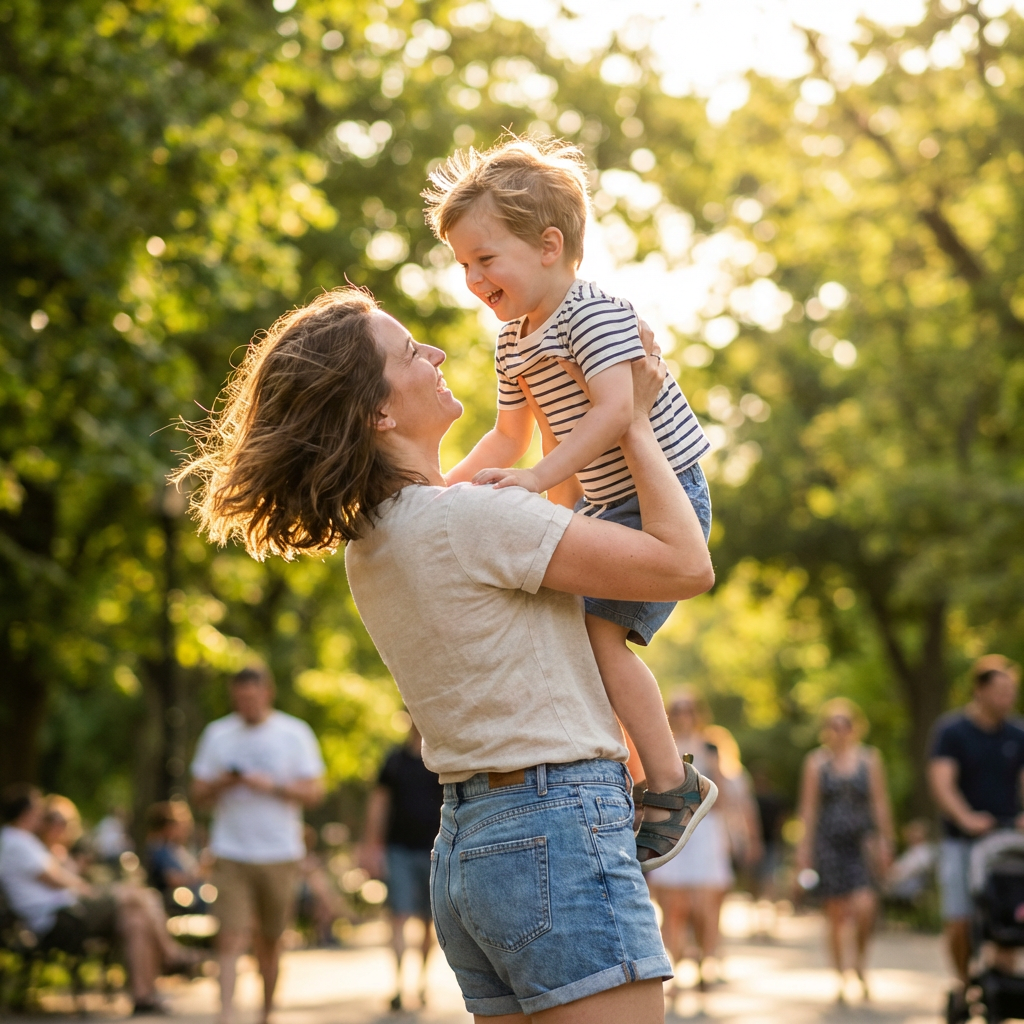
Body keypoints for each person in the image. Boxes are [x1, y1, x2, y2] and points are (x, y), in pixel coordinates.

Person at [175, 287, 716, 1022]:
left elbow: (535, 508)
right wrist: (634, 421)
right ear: (379, 413)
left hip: (470, 845)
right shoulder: (473, 520)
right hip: (555, 826)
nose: (434, 354)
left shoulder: (376, 543)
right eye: (408, 352)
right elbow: (686, 565)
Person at [424, 138, 714, 870]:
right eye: (462, 265)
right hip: (600, 502)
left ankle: (673, 782)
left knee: (597, 638)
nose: (472, 279)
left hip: (660, 498)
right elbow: (505, 434)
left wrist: (538, 478)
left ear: (550, 246)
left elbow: (619, 411)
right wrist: (430, 493)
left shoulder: (596, 313)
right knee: (562, 631)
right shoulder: (512, 340)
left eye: (485, 259)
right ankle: (618, 770)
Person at [190, 665, 326, 1024]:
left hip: (280, 853)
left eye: (251, 698)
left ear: (267, 693)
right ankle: (226, 1015)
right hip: (230, 852)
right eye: (238, 700)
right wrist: (225, 782)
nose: (245, 706)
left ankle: (266, 1014)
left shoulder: (294, 733)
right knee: (230, 937)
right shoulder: (217, 734)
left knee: (270, 940)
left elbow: (314, 791)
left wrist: (273, 786)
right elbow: (198, 794)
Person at [0, 783, 198, 1013]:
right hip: (59, 917)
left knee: (135, 918)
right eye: (37, 809)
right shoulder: (16, 841)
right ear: (25, 813)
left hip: (65, 912)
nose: (41, 815)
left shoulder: (23, 842)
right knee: (138, 895)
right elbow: (54, 879)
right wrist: (86, 888)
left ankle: (144, 997)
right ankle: (172, 954)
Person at [928, 654, 1024, 999]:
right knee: (960, 920)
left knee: (1010, 920)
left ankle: (1003, 988)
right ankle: (964, 981)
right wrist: (966, 817)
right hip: (962, 841)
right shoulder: (952, 732)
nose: (1007, 698)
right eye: (1000, 691)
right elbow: (942, 781)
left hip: (1007, 841)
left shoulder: (1018, 733)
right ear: (979, 691)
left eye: (1011, 691)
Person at [796, 698, 894, 1003]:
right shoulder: (816, 763)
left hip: (862, 843)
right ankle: (840, 974)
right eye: (834, 725)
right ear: (827, 730)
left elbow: (879, 803)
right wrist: (804, 851)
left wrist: (886, 841)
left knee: (866, 907)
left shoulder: (869, 760)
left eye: (845, 724)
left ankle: (860, 961)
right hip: (829, 844)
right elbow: (809, 810)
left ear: (855, 727)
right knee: (836, 914)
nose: (840, 731)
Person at [646, 690, 733, 993]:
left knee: (706, 904)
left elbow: (721, 795)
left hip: (706, 832)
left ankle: (706, 963)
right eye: (678, 709)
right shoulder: (661, 747)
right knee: (673, 905)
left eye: (689, 709)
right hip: (672, 829)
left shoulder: (710, 747)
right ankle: (675, 966)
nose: (684, 715)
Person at [359, 723, 444, 1011]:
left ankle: (420, 984)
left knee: (427, 922)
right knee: (398, 916)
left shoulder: (440, 757)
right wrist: (371, 846)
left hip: (434, 849)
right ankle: (397, 985)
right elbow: (378, 803)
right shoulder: (394, 760)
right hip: (399, 850)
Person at [145, 799, 208, 915]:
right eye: (182, 825)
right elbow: (173, 879)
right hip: (177, 905)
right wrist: (200, 873)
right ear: (168, 826)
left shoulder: (177, 849)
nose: (187, 830)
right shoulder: (160, 849)